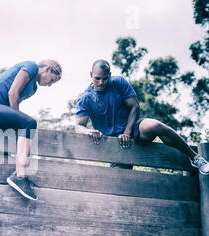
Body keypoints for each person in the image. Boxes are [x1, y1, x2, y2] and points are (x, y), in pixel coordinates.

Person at [75, 59, 209, 175]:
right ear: (91, 75)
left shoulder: (119, 82)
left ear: (110, 75)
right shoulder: (85, 99)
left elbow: (135, 107)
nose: (101, 82)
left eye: (105, 78)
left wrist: (127, 132)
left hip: (134, 129)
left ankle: (195, 158)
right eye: (97, 78)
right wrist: (89, 131)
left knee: (155, 125)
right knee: (121, 181)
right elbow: (79, 126)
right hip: (116, 144)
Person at [0, 60, 62, 200]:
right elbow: (12, 93)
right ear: (47, 69)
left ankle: (19, 172)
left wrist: (19, 125)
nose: (50, 85)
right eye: (52, 80)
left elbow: (16, 107)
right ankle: (19, 176)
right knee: (30, 123)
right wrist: (20, 124)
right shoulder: (31, 67)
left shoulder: (33, 89)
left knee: (25, 129)